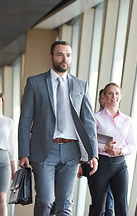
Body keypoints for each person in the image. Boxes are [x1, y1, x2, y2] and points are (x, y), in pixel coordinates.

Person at [18, 40, 98, 216]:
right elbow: (25, 120)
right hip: (44, 149)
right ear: (51, 57)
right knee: (46, 201)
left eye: (68, 55)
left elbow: (89, 122)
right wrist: (23, 152)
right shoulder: (35, 83)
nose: (64, 59)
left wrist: (93, 154)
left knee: (65, 205)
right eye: (60, 54)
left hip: (72, 150)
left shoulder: (81, 85)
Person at [78, 82, 136, 216]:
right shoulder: (95, 118)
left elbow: (131, 144)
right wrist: (103, 147)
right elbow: (87, 142)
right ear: (104, 97)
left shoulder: (128, 120)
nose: (113, 96)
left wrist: (120, 151)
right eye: (110, 93)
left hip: (120, 165)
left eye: (116, 93)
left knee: (121, 204)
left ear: (120, 96)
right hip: (100, 164)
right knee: (98, 206)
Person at [98, 88, 114, 216]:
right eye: (105, 97)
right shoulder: (94, 119)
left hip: (113, 163)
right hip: (97, 162)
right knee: (99, 200)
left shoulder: (117, 120)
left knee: (109, 200)